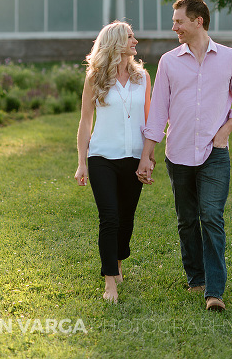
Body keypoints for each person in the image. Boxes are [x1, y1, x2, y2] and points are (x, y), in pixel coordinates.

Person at [136, 0, 232, 312]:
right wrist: (147, 155)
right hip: (179, 153)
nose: (174, 27)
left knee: (211, 217)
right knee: (187, 220)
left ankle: (214, 291)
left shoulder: (230, 58)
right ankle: (196, 276)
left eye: (179, 21)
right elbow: (158, 112)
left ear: (197, 21)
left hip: (215, 153)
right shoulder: (169, 61)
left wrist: (224, 132)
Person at [75, 21, 152, 304]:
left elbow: (150, 119)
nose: (135, 41)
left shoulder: (142, 77)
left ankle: (118, 260)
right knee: (109, 217)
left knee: (126, 218)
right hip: (102, 157)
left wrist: (148, 156)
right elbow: (85, 121)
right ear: (117, 42)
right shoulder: (94, 78)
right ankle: (110, 281)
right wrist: (82, 162)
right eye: (130, 37)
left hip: (133, 156)